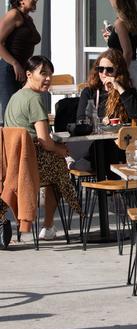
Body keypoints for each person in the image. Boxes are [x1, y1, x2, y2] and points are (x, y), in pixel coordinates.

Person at [4, 55, 81, 240]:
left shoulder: (14, 98)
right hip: (31, 163)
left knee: (57, 162)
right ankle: (48, 226)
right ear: (29, 74)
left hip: (12, 163)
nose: (48, 78)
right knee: (60, 171)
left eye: (50, 74)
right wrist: (62, 150)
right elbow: (45, 141)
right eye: (43, 73)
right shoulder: (34, 99)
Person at [74, 48, 137, 174]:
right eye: (101, 69)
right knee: (102, 150)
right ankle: (111, 192)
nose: (104, 73)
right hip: (94, 146)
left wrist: (119, 88)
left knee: (109, 151)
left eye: (109, 70)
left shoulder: (127, 92)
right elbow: (80, 120)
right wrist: (100, 122)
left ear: (118, 71)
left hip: (121, 147)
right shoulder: (90, 92)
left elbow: (136, 113)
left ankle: (111, 191)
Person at [0, 0, 40, 125]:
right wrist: (15, 63)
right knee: (10, 113)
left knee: (22, 111)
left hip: (22, 70)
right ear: (21, 0)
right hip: (9, 69)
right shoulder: (14, 15)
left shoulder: (28, 19)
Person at [103, 0, 137, 92]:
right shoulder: (133, 20)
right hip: (135, 71)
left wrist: (117, 74)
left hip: (126, 74)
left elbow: (128, 52)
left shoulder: (120, 23)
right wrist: (112, 40)